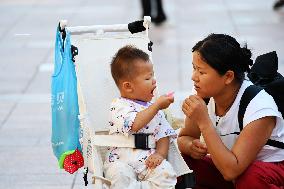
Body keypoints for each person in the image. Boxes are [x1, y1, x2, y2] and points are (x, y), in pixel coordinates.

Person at [177, 33, 284, 188]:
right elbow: (184, 137)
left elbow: (231, 171)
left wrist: (204, 122)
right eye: (194, 68)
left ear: (228, 77)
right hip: (233, 168)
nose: (194, 77)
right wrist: (190, 147)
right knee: (180, 164)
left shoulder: (259, 108)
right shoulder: (205, 95)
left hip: (269, 171)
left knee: (250, 176)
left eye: (201, 72)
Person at [104, 45, 177, 188]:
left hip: (148, 163)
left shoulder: (156, 110)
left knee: (167, 174)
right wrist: (156, 106)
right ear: (128, 87)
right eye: (148, 77)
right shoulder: (119, 106)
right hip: (121, 161)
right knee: (118, 175)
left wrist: (160, 155)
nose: (154, 80)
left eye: (153, 75)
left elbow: (164, 135)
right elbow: (135, 124)